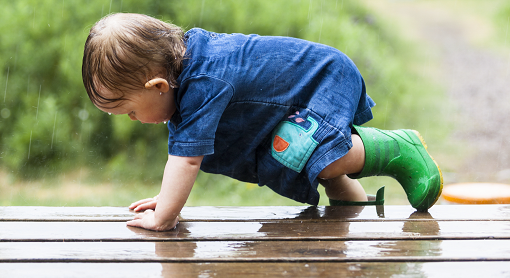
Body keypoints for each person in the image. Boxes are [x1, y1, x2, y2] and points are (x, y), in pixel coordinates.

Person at [82, 13, 443, 232]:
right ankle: (353, 215)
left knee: (300, 150)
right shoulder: (183, 79)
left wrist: (165, 216)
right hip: (294, 99)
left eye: (130, 111)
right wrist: (165, 198)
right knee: (304, 158)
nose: (133, 120)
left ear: (158, 86)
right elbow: (184, 155)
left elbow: (186, 159)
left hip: (322, 79)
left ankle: (395, 148)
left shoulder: (205, 82)